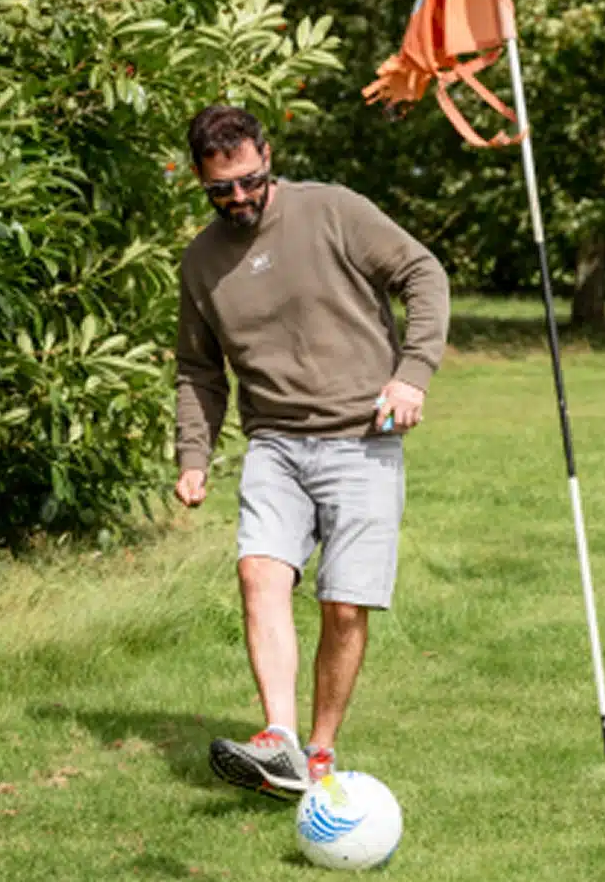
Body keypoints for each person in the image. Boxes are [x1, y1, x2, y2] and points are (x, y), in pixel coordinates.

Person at [174, 105, 450, 800]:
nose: (238, 197)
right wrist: (193, 456)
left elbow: (423, 274)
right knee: (258, 573)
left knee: (344, 606)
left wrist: (412, 375)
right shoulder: (201, 261)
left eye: (249, 179)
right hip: (274, 442)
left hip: (362, 437)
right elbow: (198, 369)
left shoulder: (332, 211)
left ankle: (319, 753)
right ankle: (279, 740)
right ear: (200, 179)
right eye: (220, 189)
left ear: (268, 155)